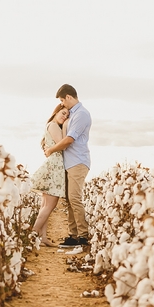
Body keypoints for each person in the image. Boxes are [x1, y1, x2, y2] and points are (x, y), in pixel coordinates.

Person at [43, 84, 91, 247]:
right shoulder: (73, 114)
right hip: (70, 162)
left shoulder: (82, 114)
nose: (63, 103)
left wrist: (51, 150)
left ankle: (83, 236)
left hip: (78, 161)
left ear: (69, 97)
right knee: (70, 199)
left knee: (75, 198)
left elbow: (69, 140)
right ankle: (73, 235)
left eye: (63, 100)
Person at [29, 104, 69, 247]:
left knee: (45, 205)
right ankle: (33, 234)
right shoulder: (53, 126)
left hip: (53, 164)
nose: (65, 117)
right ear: (56, 112)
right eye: (63, 113)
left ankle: (43, 237)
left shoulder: (51, 126)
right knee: (50, 205)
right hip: (55, 166)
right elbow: (63, 144)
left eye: (67, 116)